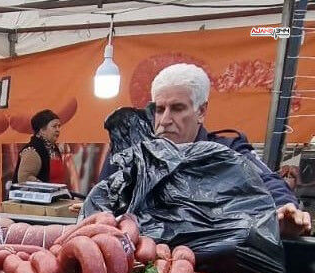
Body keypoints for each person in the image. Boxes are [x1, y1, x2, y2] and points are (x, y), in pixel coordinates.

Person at [98, 64, 311, 238]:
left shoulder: (227, 152)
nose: (165, 120)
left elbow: (269, 182)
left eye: (177, 108)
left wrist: (285, 208)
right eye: (160, 109)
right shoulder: (131, 155)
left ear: (201, 111)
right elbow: (102, 197)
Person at [13, 110, 67, 186]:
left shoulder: (53, 149)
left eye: (59, 126)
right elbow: (24, 178)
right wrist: (48, 188)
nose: (58, 130)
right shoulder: (32, 151)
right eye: (54, 126)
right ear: (42, 130)